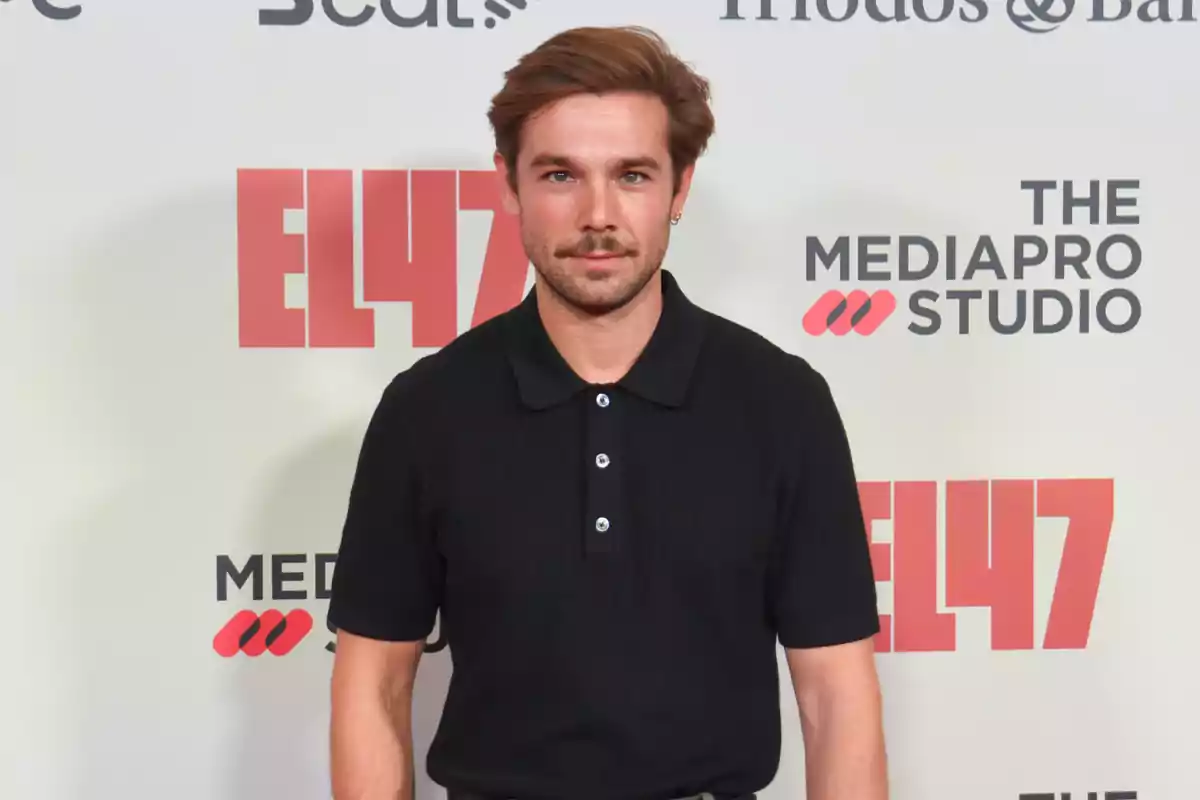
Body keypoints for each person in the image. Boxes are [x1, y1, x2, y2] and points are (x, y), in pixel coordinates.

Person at [326, 25, 888, 800]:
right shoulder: (427, 410)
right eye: (560, 175)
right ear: (510, 183)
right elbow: (372, 685)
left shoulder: (782, 403)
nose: (598, 214)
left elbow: (837, 698)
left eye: (632, 175)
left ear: (679, 187)